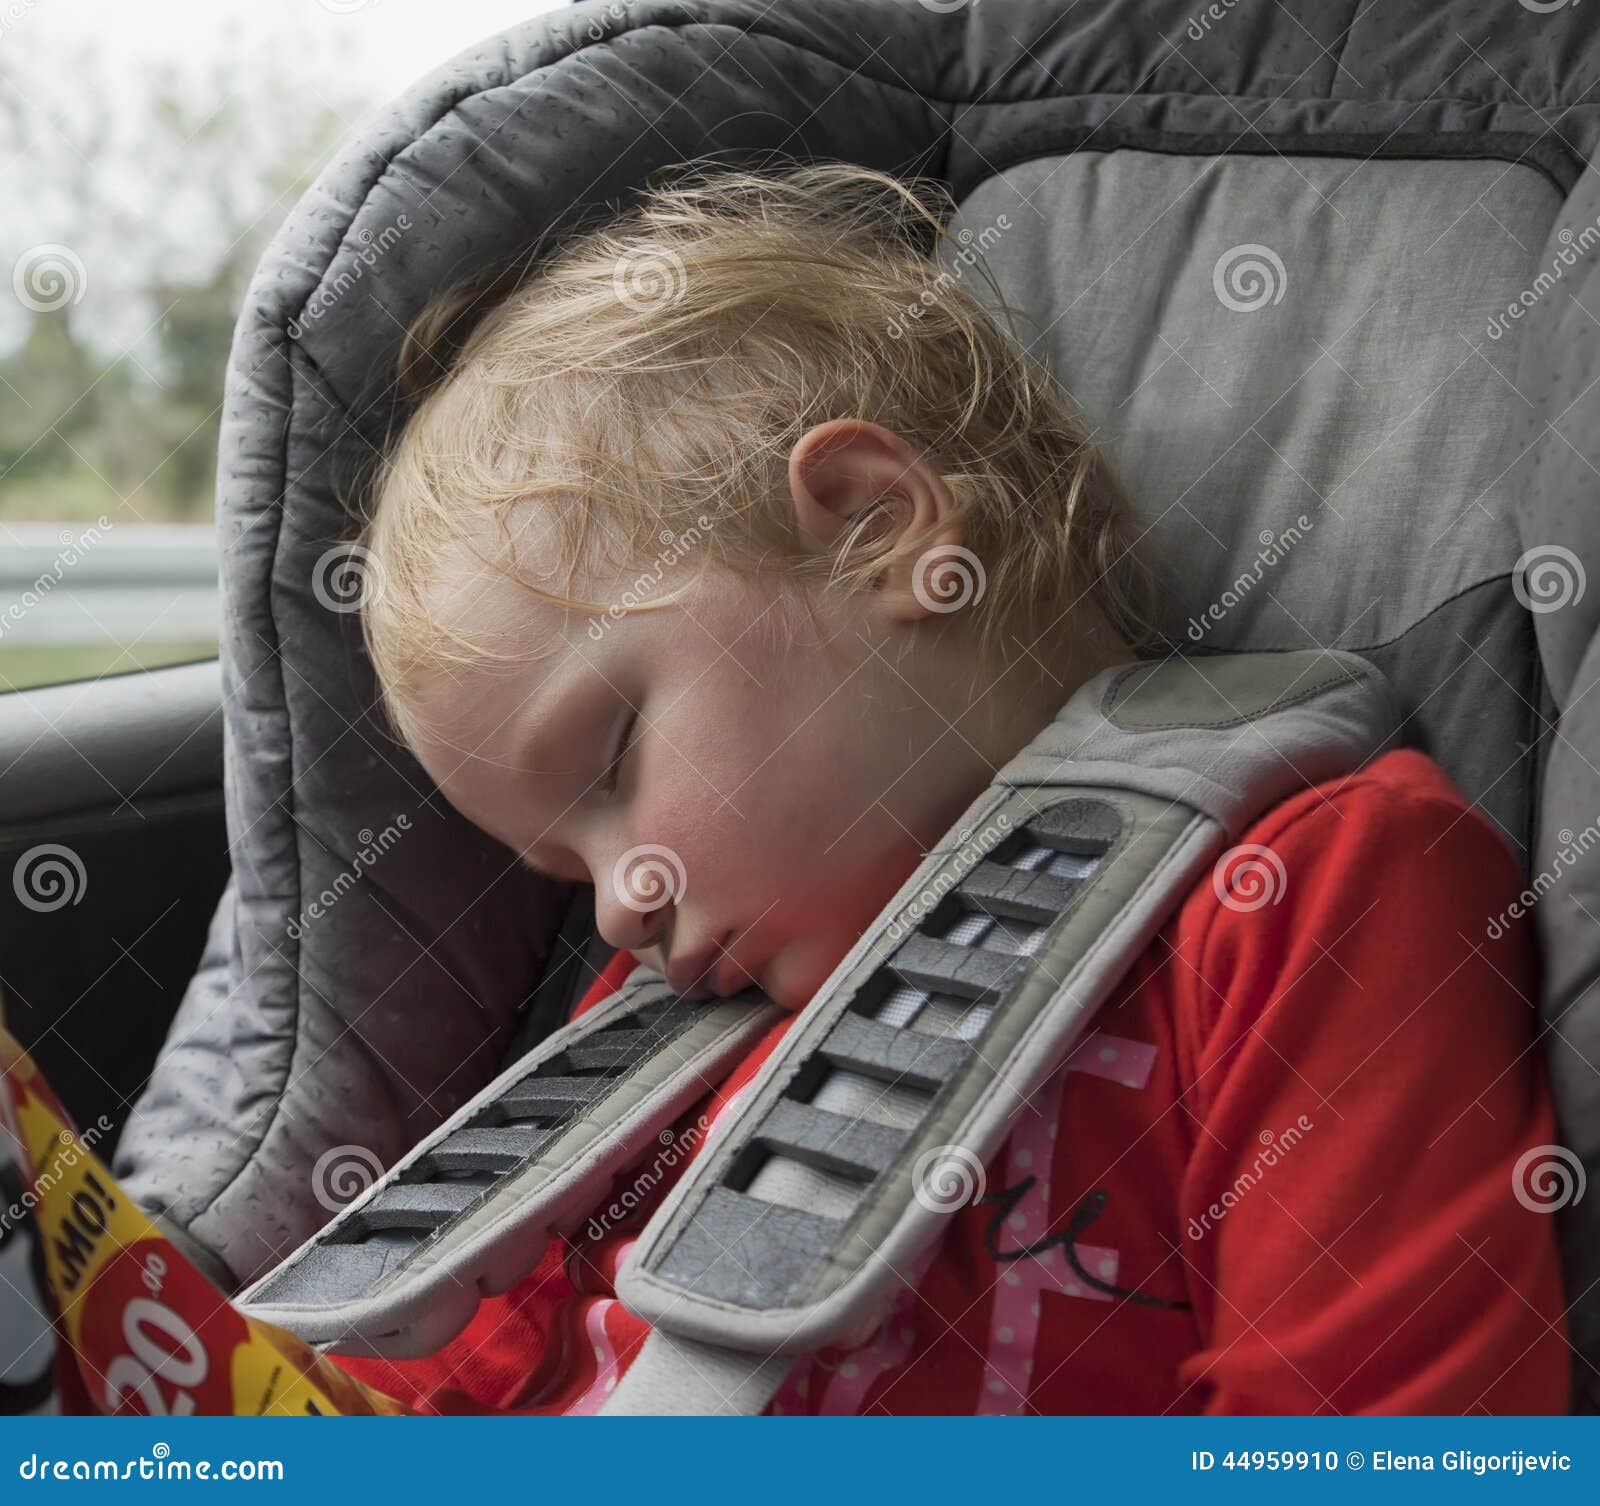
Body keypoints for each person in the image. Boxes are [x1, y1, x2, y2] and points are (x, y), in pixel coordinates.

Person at [330, 161, 1570, 1414]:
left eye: (609, 764)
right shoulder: (667, 1023)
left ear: (879, 527)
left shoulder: (1304, 901)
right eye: (567, 870)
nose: (615, 910)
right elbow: (444, 1384)